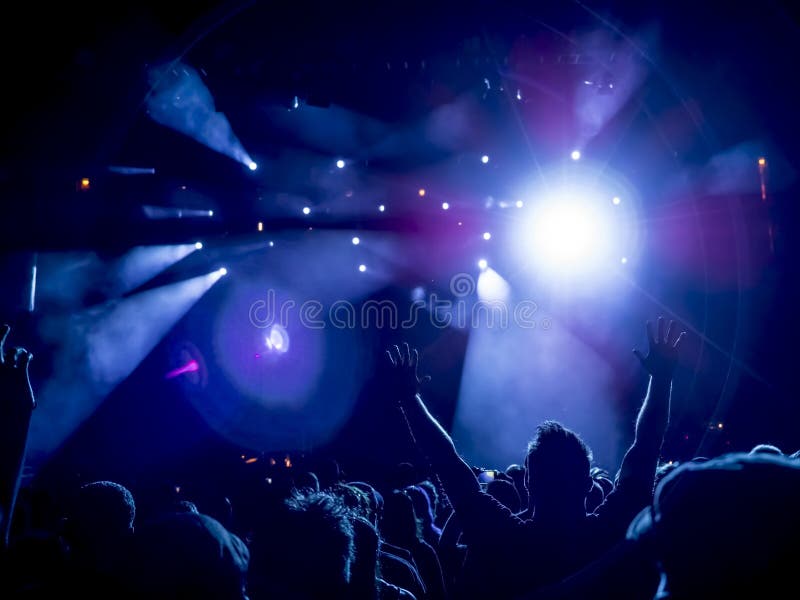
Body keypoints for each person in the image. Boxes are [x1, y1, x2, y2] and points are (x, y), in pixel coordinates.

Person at [382, 317, 685, 599]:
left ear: (528, 481)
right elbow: (645, 448)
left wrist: (409, 399)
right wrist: (662, 379)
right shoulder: (611, 531)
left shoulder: (503, 539)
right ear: (586, 482)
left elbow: (447, 463)